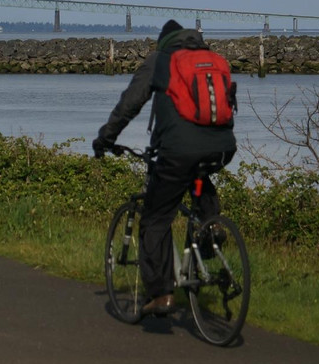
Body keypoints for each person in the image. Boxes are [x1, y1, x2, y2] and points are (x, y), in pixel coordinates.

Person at [93, 19, 236, 317]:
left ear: (163, 41)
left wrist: (106, 137)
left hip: (179, 150)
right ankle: (211, 230)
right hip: (222, 147)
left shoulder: (161, 60)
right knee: (198, 179)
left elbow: (130, 103)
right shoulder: (211, 58)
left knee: (155, 219)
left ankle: (160, 293)